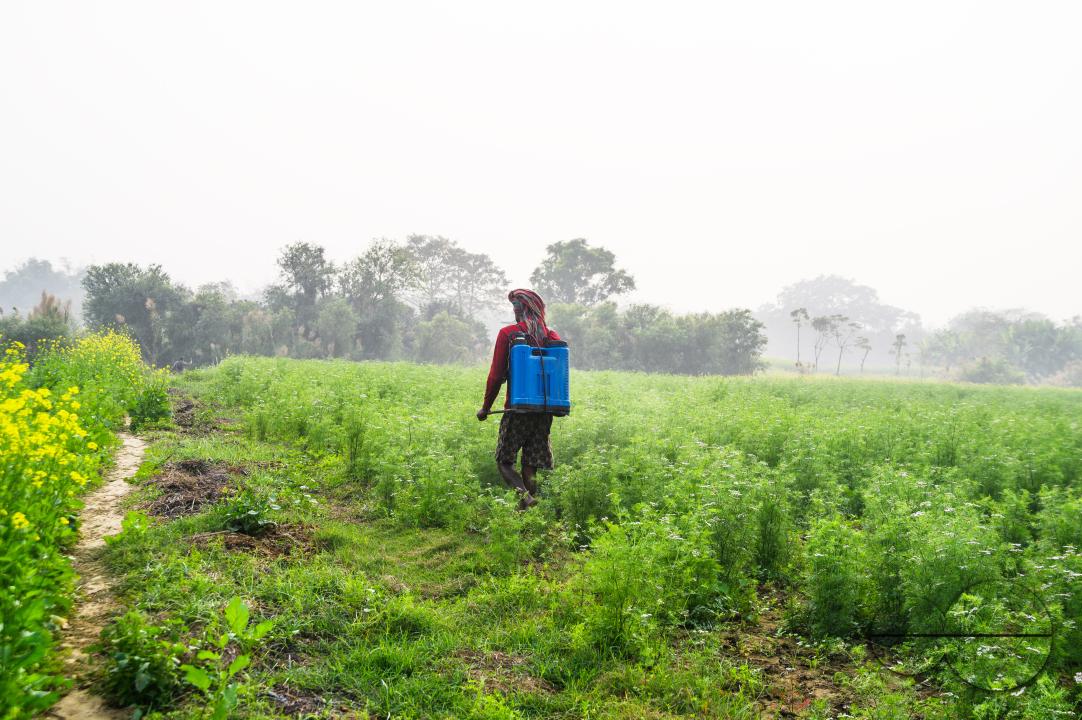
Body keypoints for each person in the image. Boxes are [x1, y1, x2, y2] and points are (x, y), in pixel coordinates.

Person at [477, 289, 562, 509]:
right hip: (544, 411)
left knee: (504, 462)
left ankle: (526, 498)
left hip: (517, 411)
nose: (514, 312)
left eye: (514, 307)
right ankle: (525, 517)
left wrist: (485, 407)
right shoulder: (551, 336)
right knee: (530, 464)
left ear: (520, 309)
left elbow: (496, 375)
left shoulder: (509, 334)